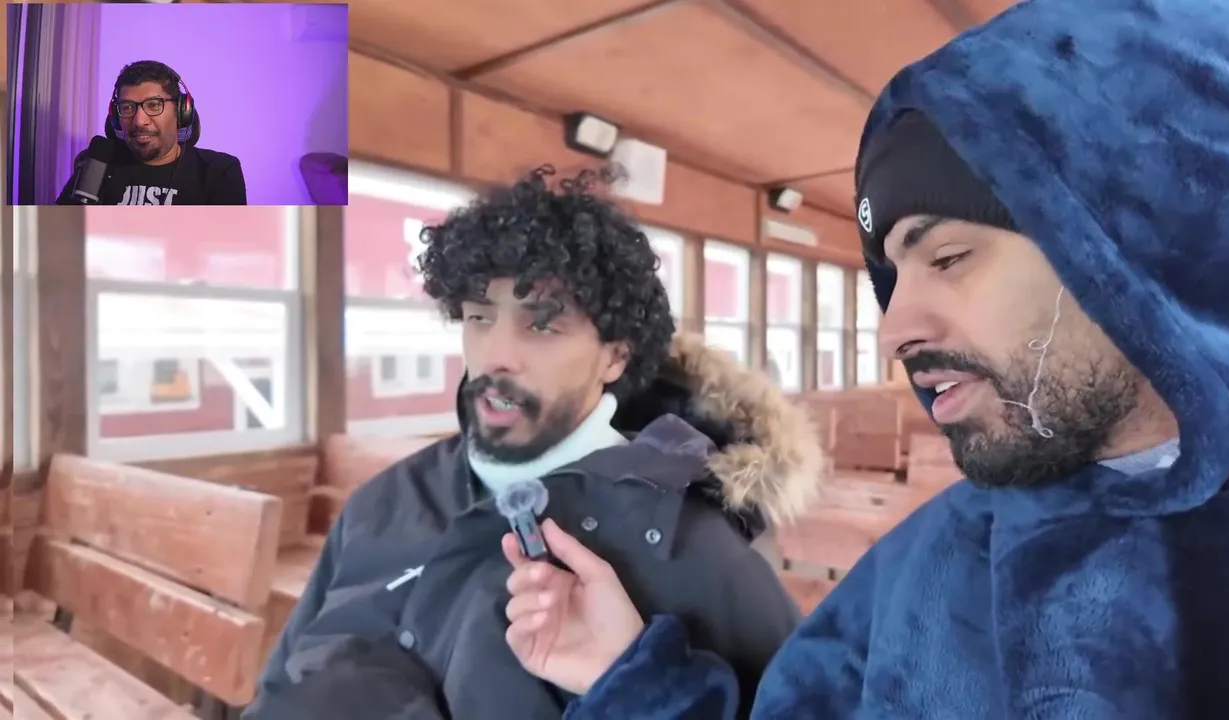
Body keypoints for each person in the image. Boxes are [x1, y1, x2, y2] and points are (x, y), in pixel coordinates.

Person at [502, 0, 1229, 716]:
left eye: (948, 257)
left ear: (1142, 248)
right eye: (892, 277)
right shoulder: (932, 560)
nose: (892, 332)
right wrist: (628, 680)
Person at [243, 165, 825, 718]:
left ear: (615, 356)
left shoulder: (698, 555)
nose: (496, 355)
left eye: (542, 325)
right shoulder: (382, 503)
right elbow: (280, 688)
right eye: (478, 317)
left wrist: (638, 683)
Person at [55, 60, 246, 205]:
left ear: (181, 112)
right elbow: (60, 235)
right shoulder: (97, 165)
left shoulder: (218, 171)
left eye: (154, 105)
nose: (139, 121)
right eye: (127, 107)